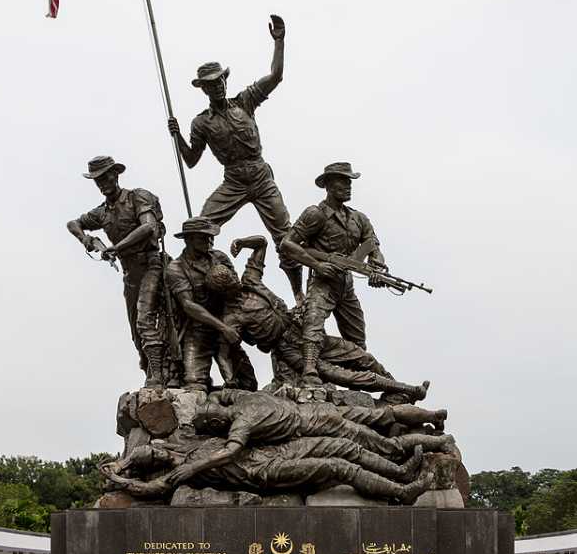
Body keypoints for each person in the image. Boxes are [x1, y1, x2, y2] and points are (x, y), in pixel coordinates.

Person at [168, 14, 304, 304]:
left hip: (260, 176)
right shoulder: (200, 123)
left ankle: (298, 293)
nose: (216, 86)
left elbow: (276, 76)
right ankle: (200, 280)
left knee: (286, 238)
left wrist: (279, 41)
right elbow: (191, 160)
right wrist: (178, 136)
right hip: (233, 180)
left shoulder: (245, 101)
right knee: (200, 223)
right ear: (203, 89)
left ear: (225, 81)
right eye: (210, 84)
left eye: (219, 81)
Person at [209, 235, 432, 400]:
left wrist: (241, 242)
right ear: (222, 291)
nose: (235, 281)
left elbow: (262, 243)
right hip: (287, 349)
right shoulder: (232, 316)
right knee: (341, 375)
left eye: (232, 276)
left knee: (359, 356)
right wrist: (229, 379)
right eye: (229, 283)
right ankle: (408, 390)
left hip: (301, 328)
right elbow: (222, 352)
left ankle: (396, 392)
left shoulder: (250, 280)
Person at [281, 162, 387, 385]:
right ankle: (309, 369)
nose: (348, 186)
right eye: (343, 181)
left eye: (350, 182)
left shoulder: (359, 219)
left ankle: (360, 381)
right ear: (329, 185)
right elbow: (287, 244)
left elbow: (373, 246)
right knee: (313, 322)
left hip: (345, 284)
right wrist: (317, 265)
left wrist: (376, 267)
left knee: (357, 336)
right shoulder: (315, 214)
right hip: (322, 281)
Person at [67, 156, 167, 388]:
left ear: (116, 174)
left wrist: (117, 247)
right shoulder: (102, 212)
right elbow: (73, 223)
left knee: (144, 320)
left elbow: (149, 227)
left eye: (106, 176)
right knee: (135, 332)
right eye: (98, 179)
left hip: (152, 265)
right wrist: (87, 239)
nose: (103, 182)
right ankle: (148, 371)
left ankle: (158, 377)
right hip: (130, 273)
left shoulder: (137, 197)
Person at [104, 434, 433, 505]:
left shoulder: (190, 443)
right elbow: (149, 490)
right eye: (155, 455)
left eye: (158, 449)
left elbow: (144, 451)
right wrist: (119, 478)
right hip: (268, 472)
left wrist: (122, 462)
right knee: (338, 467)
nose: (159, 450)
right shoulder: (183, 470)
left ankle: (400, 471)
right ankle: (401, 492)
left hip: (273, 451)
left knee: (341, 445)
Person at [191, 388, 451, 460]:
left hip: (322, 426)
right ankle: (432, 415)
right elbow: (221, 395)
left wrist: (196, 465)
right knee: (386, 415)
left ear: (216, 423)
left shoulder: (241, 424)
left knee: (387, 448)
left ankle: (439, 441)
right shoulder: (244, 399)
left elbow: (231, 451)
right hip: (320, 408)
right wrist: (209, 401)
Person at [164, 217, 254, 391]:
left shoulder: (219, 258)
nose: (210, 241)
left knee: (247, 383)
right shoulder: (176, 268)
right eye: (203, 237)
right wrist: (223, 328)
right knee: (194, 383)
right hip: (198, 331)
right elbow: (188, 305)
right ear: (189, 239)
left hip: (228, 323)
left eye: (210, 237)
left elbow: (237, 289)